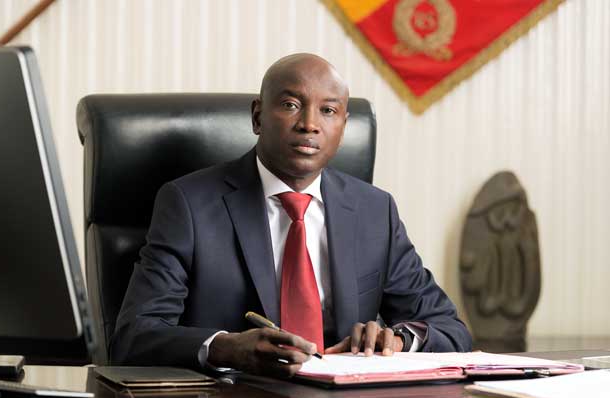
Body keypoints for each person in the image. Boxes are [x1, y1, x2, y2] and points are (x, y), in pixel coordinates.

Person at [111, 53, 471, 377]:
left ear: (343, 127)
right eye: (290, 105)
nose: (309, 124)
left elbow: (451, 329)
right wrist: (227, 348)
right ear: (257, 117)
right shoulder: (189, 204)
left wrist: (398, 340)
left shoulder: (375, 211)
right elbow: (133, 337)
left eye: (328, 111)